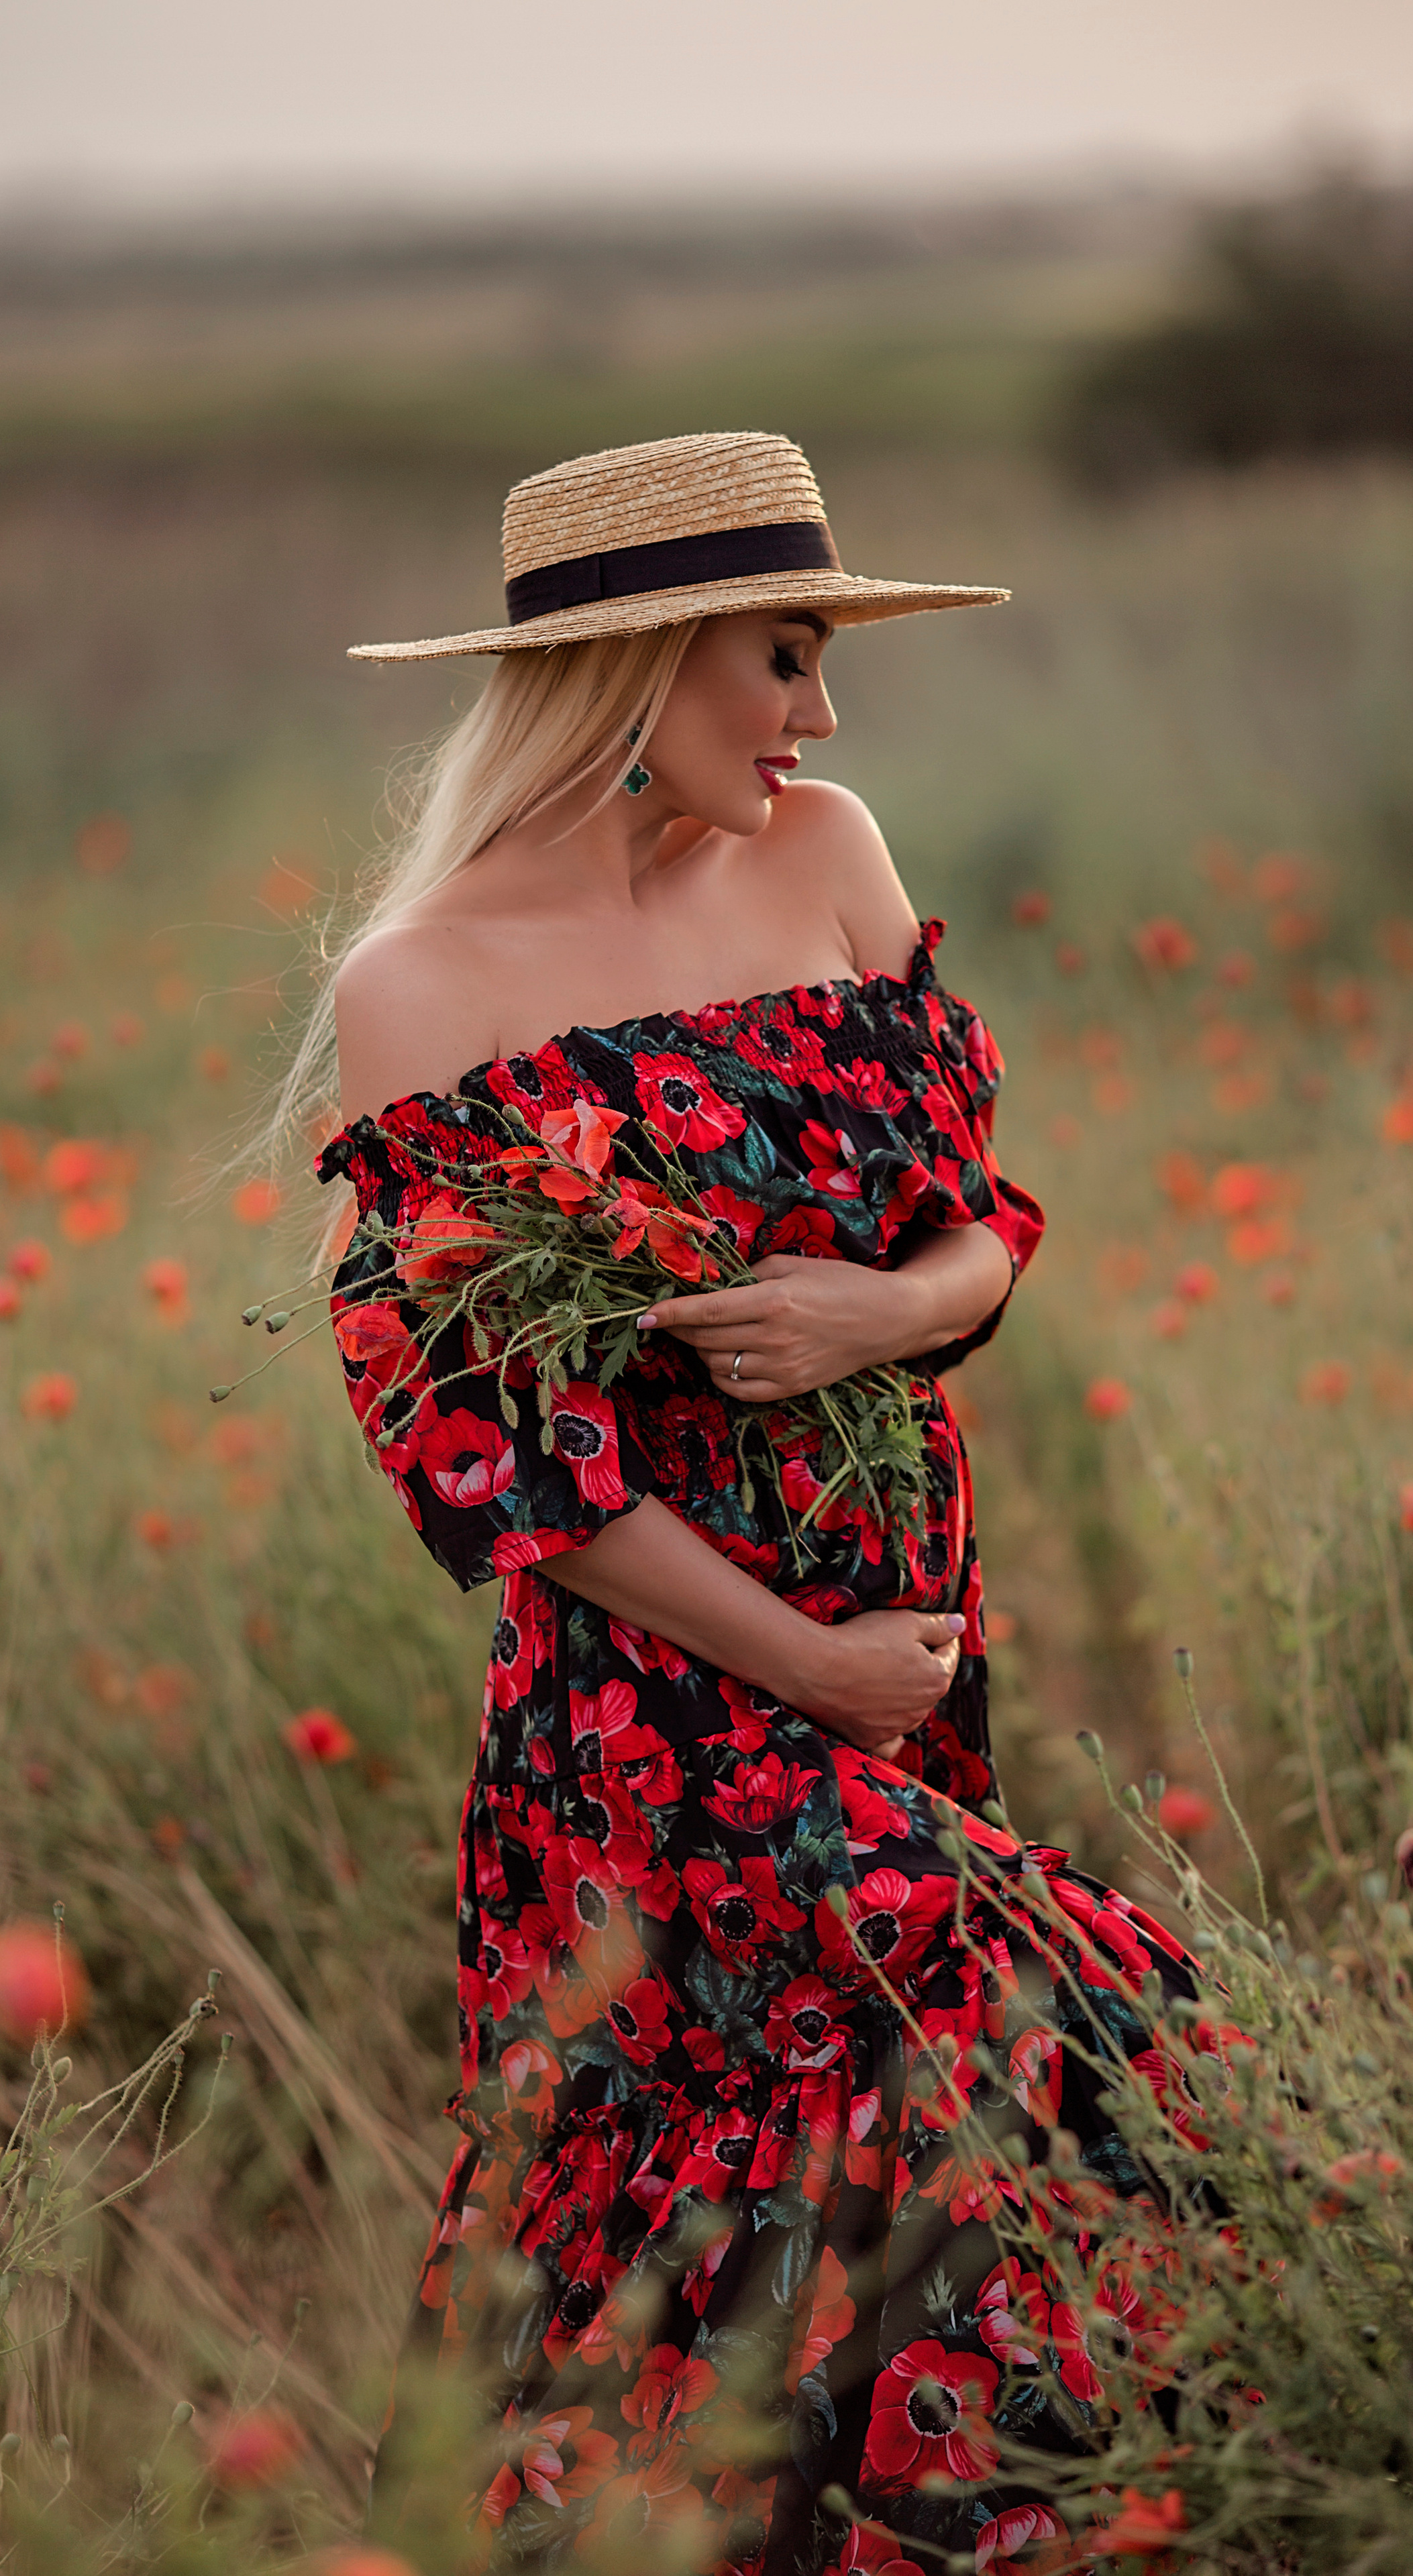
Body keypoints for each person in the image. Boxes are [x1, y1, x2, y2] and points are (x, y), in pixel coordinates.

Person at [309, 433, 1204, 2573]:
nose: (821, 710)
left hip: (899, 1659)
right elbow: (490, 1455)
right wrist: (810, 1663)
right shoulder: (418, 986)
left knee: (849, 2173)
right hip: (665, 1712)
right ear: (640, 666)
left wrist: (874, 1314)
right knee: (1040, 2025)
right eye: (785, 657)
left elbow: (980, 1229)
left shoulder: (828, 855)